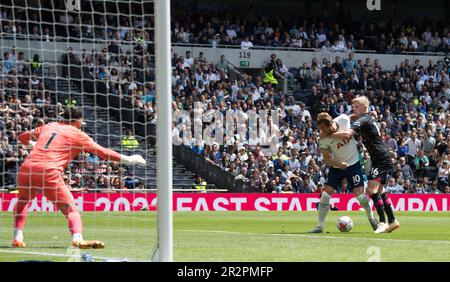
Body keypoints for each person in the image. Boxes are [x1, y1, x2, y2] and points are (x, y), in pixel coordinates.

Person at [12, 107, 146, 248]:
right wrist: (129, 159)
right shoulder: (78, 134)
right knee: (71, 209)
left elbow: (21, 137)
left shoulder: (49, 126)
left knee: (23, 200)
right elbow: (103, 152)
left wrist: (32, 144)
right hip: (49, 170)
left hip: (27, 168)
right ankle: (77, 238)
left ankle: (17, 238)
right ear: (77, 122)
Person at [331, 96, 400, 233]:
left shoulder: (363, 120)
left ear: (364, 108)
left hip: (380, 157)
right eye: (353, 106)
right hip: (381, 156)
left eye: (356, 106)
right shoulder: (367, 118)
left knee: (371, 190)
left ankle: (382, 222)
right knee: (380, 191)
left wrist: (329, 135)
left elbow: (347, 135)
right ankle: (392, 221)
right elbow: (350, 116)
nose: (353, 108)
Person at [309, 113, 377, 233]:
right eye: (320, 130)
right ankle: (319, 226)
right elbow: (326, 159)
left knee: (361, 197)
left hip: (353, 164)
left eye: (323, 129)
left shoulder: (343, 120)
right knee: (325, 196)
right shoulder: (323, 139)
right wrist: (338, 164)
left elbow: (348, 134)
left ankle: (373, 221)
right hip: (337, 167)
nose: (321, 132)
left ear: (330, 125)